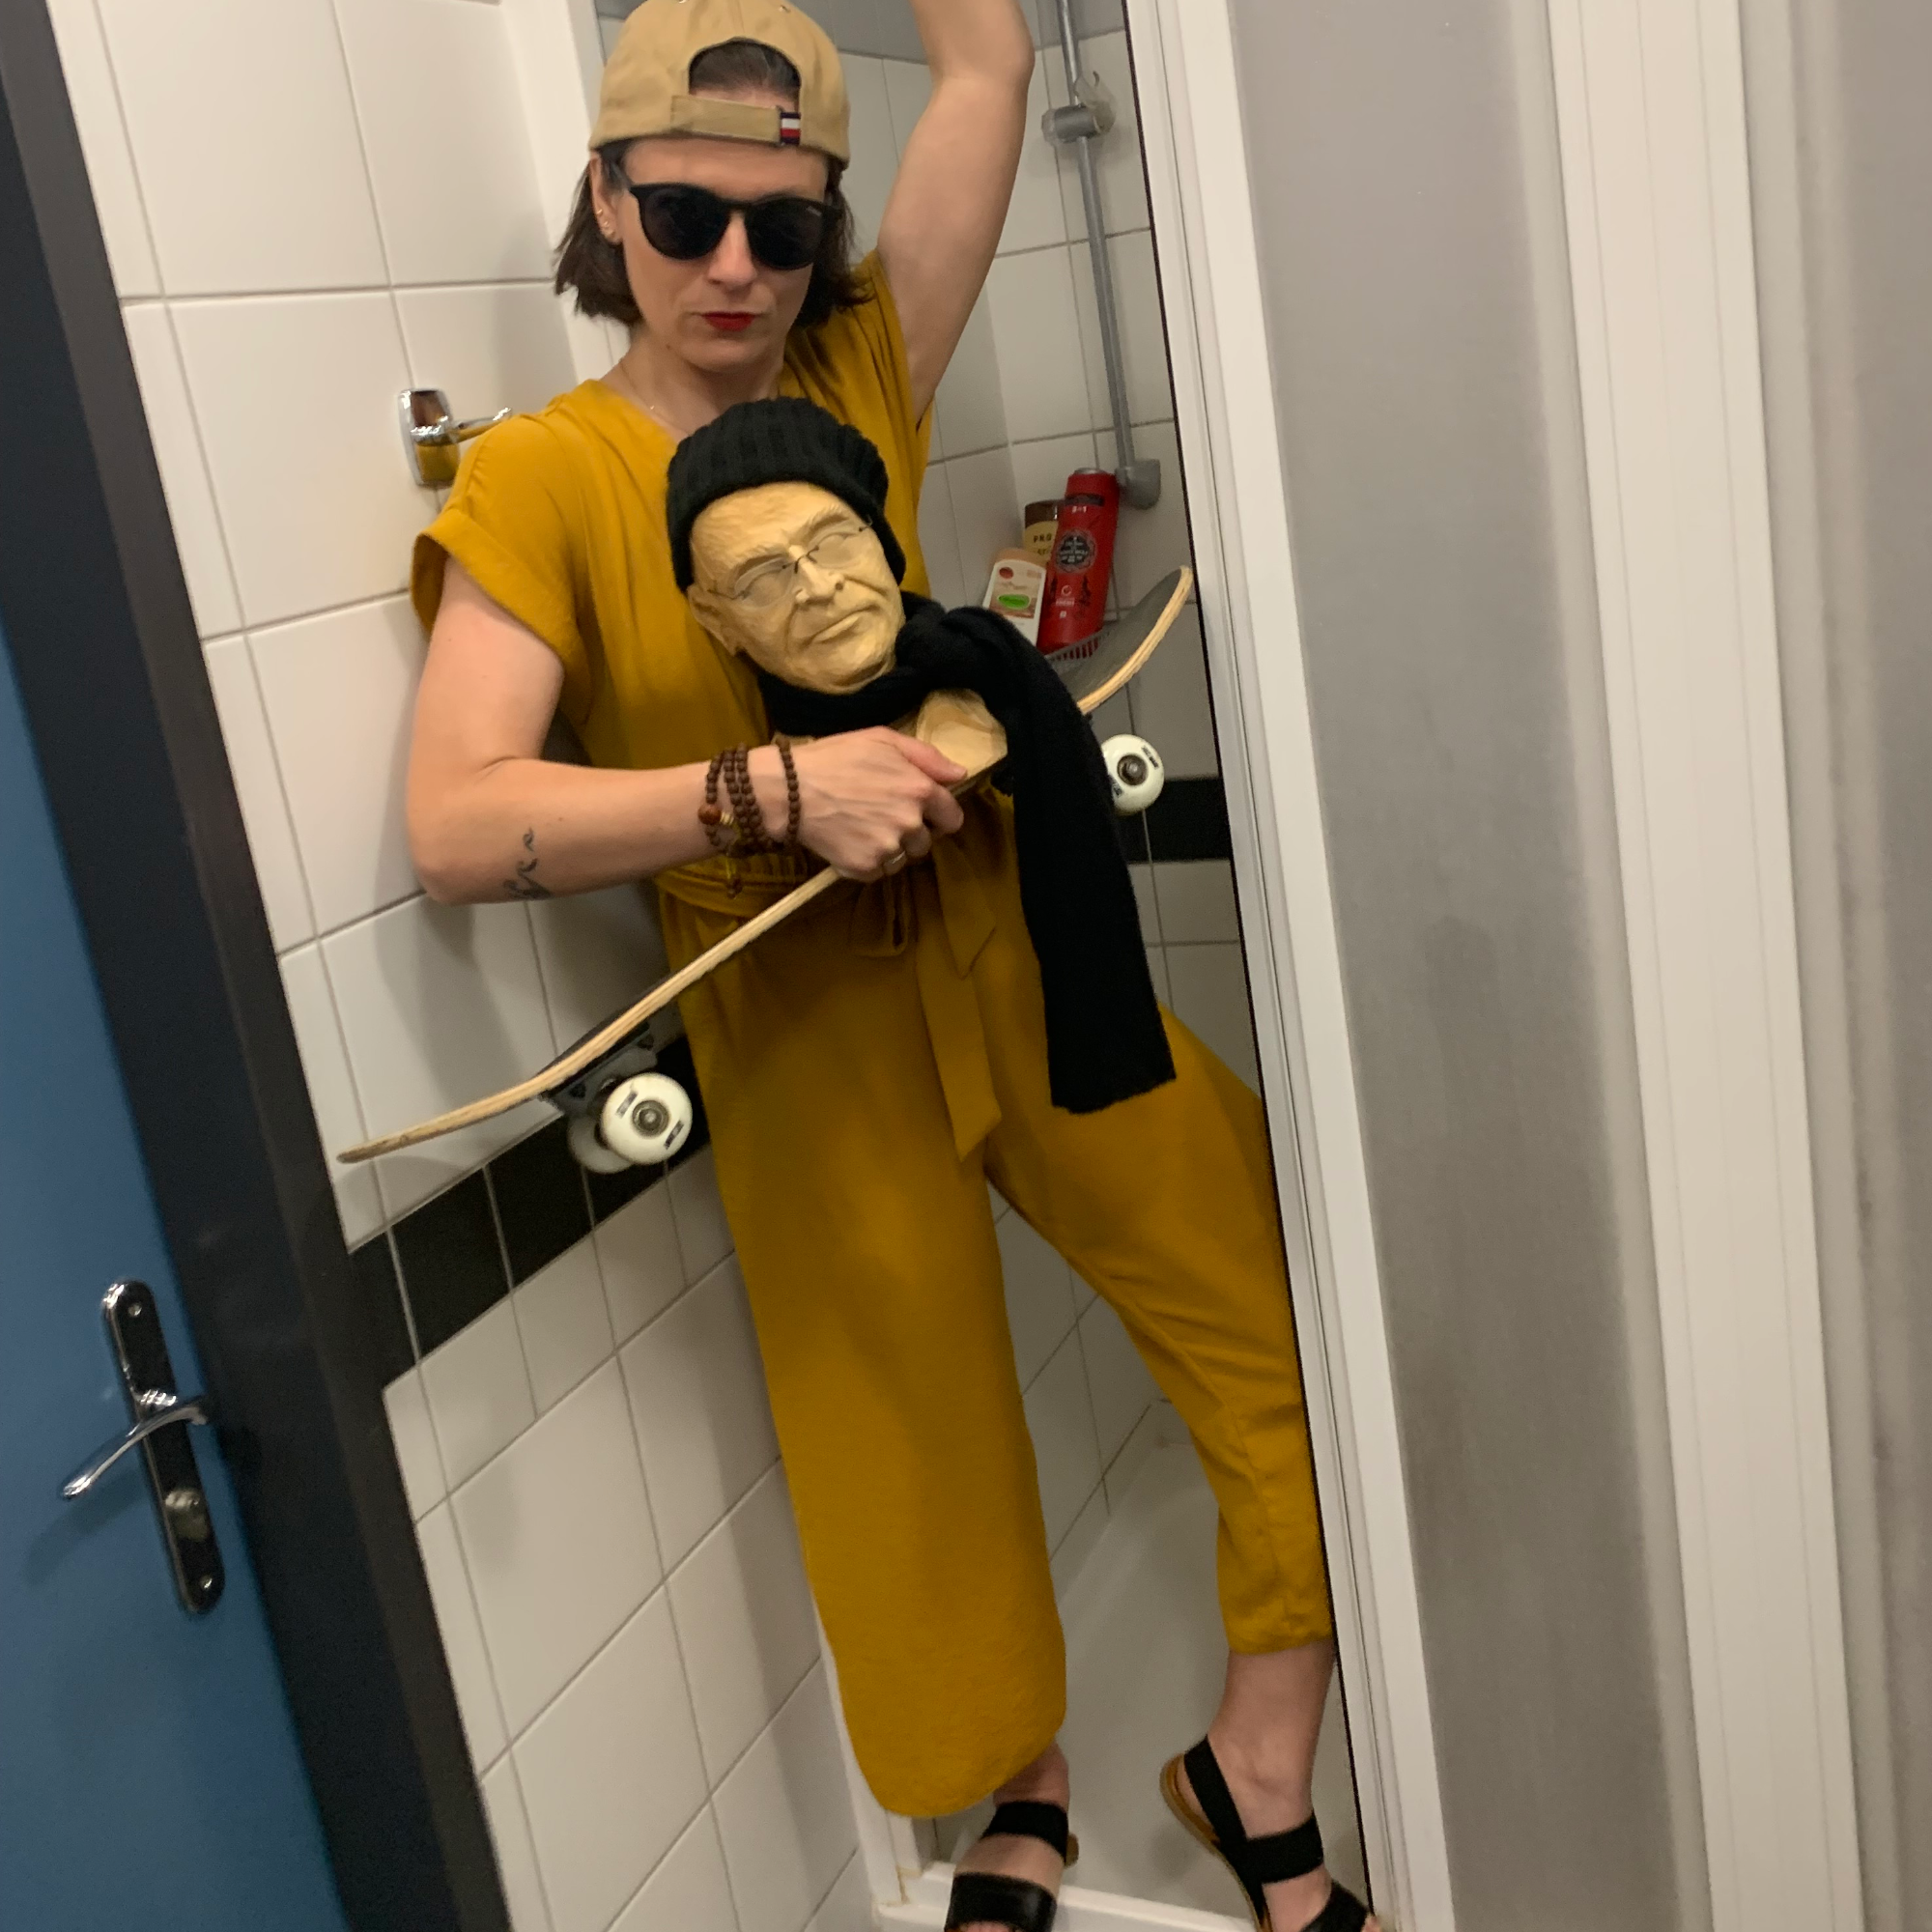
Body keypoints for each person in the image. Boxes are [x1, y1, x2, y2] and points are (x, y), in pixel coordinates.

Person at [405, 6, 1372, 1930]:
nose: (735, 266)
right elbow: (454, 818)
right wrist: (771, 790)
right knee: (911, 1452)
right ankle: (1023, 1790)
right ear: (606, 198)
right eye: (683, 215)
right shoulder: (542, 481)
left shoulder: (855, 369)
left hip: (1024, 962)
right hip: (801, 1036)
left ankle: (1257, 1763)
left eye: (784, 224)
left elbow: (989, 70)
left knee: (1297, 1310)